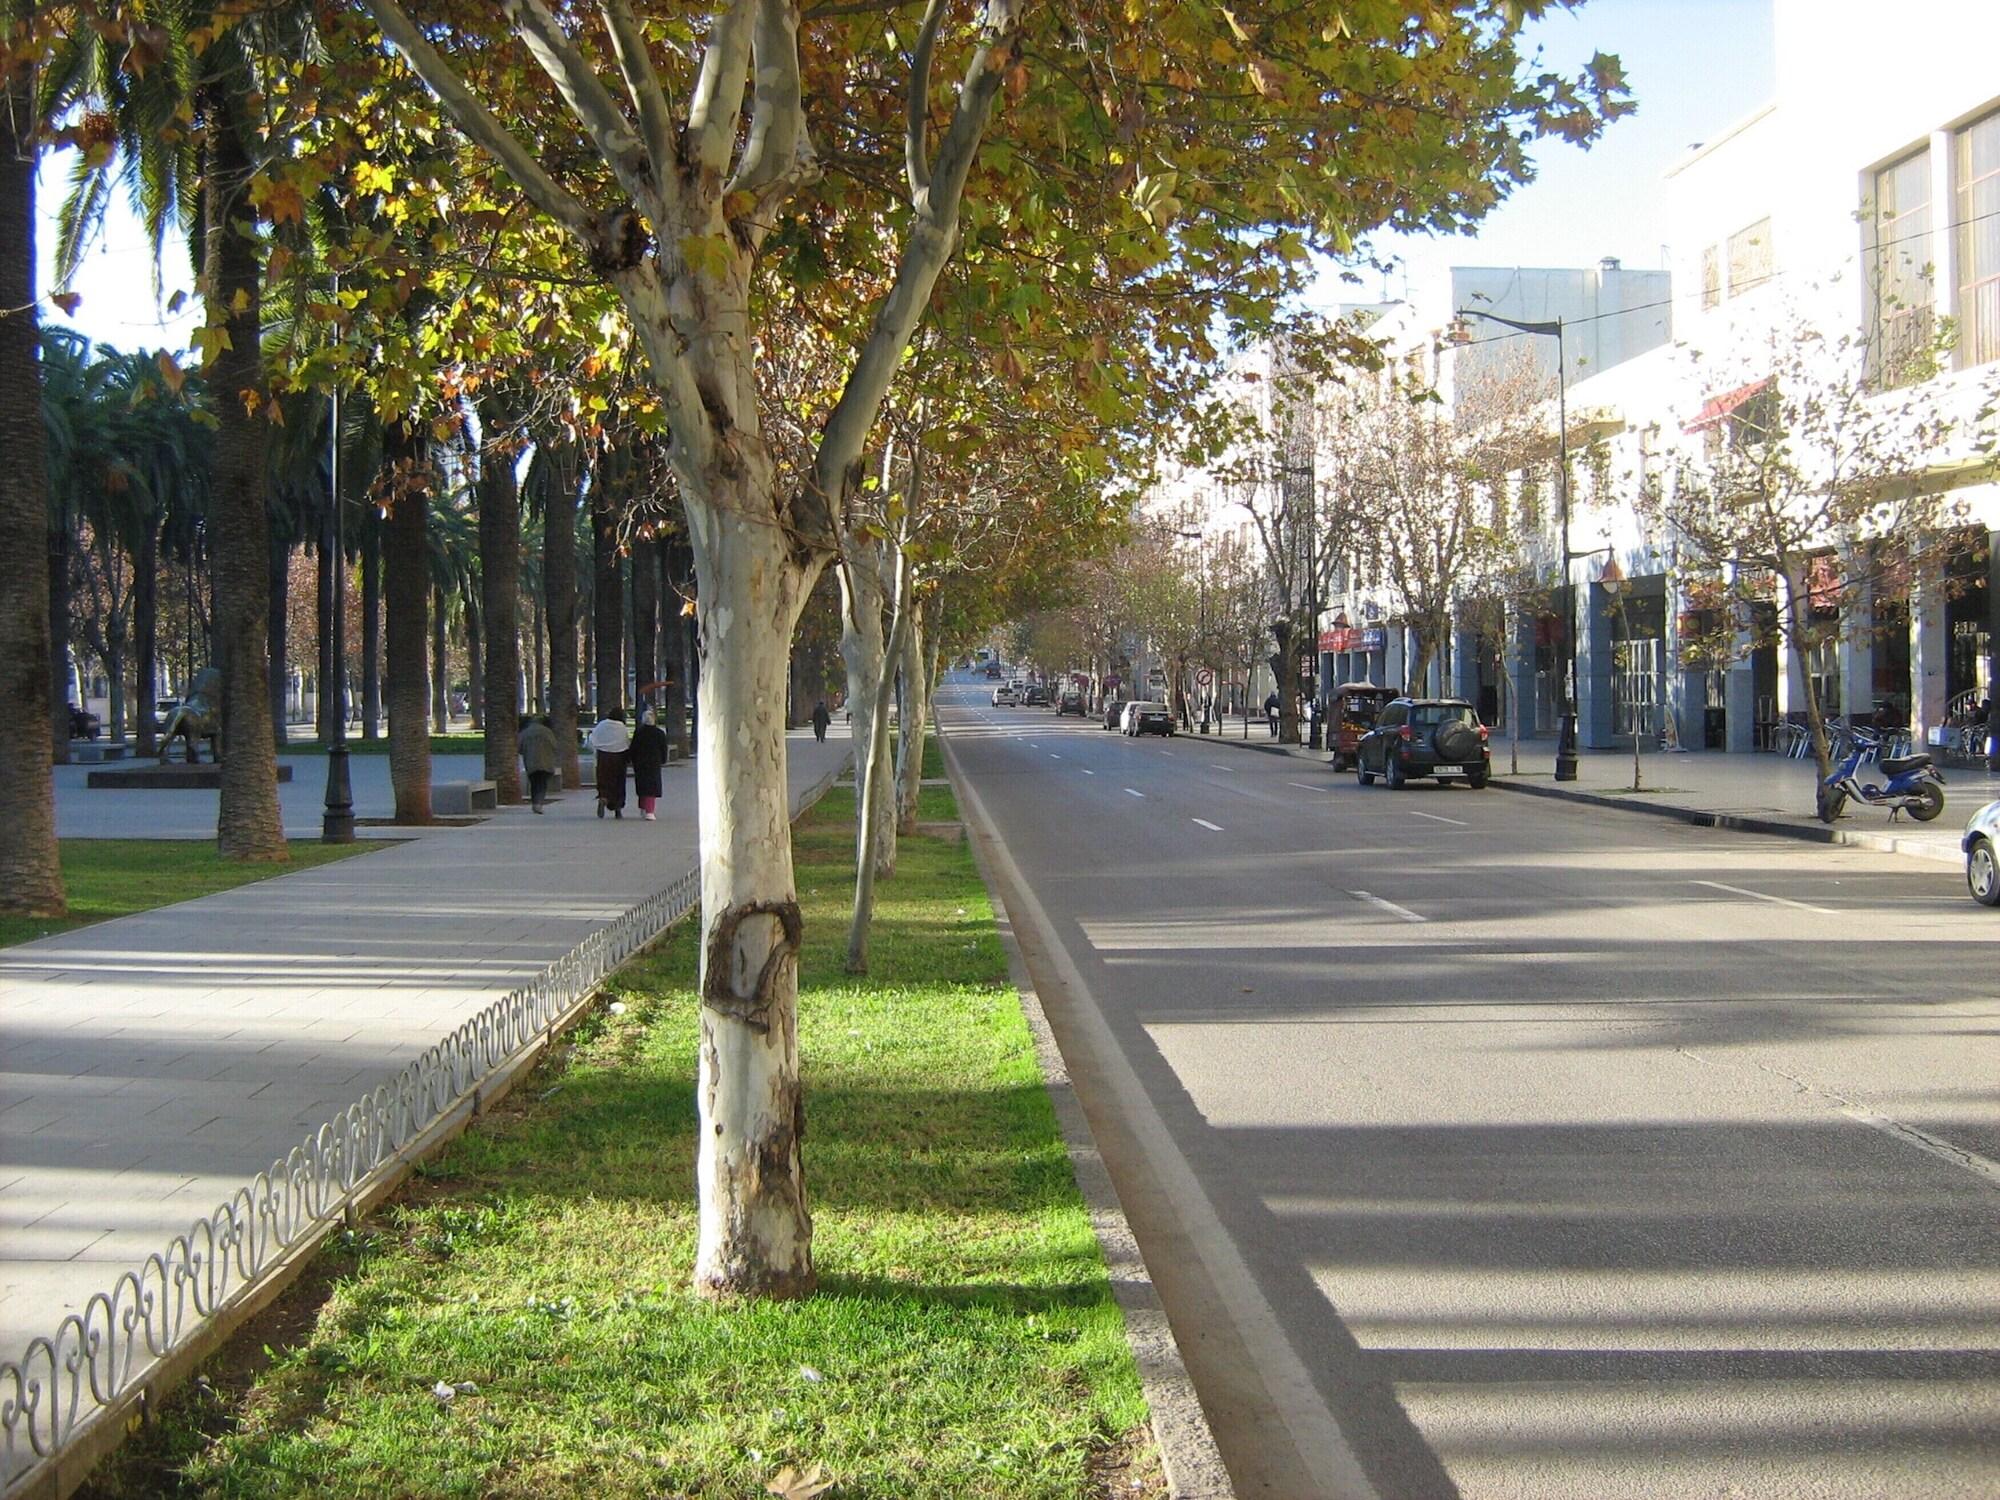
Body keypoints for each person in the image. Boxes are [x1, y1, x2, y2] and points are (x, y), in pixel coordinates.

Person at [588, 711, 632, 819]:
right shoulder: (621, 727)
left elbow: (592, 739)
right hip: (619, 757)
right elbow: (626, 742)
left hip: (603, 756)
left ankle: (603, 797)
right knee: (618, 783)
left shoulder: (602, 725)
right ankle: (618, 808)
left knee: (604, 780)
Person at [518, 714, 560, 813]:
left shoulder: (525, 732)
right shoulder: (548, 732)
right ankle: (538, 803)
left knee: (534, 783)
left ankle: (535, 803)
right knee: (542, 783)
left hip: (531, 762)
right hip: (546, 761)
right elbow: (554, 746)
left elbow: (519, 747)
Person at [630, 709, 668, 821]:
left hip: (640, 762)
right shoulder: (659, 733)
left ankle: (642, 807)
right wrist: (663, 760)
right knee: (651, 786)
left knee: (642, 785)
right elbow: (663, 748)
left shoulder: (639, 732)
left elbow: (633, 748)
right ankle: (649, 811)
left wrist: (632, 759)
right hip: (654, 763)